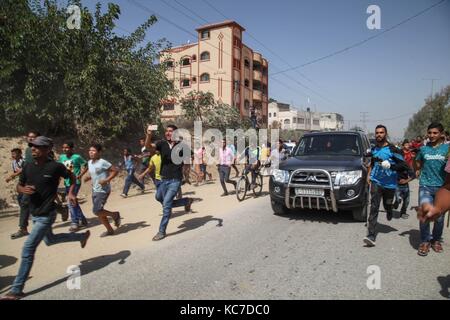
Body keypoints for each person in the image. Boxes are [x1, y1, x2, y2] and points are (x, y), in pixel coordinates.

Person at [1, 136, 90, 300]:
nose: (33, 149)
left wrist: (70, 193)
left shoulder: (55, 167)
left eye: (37, 147)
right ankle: (82, 236)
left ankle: (16, 289)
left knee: (28, 248)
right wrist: (22, 190)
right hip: (34, 214)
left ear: (47, 150)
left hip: (47, 214)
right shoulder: (27, 167)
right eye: (32, 146)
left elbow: (71, 177)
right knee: (50, 240)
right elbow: (18, 185)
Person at [145, 125, 193, 241]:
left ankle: (161, 231)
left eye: (170, 131)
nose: (167, 133)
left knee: (166, 204)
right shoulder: (162, 144)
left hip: (175, 180)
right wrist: (149, 135)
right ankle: (186, 201)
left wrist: (186, 176)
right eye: (166, 131)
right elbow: (148, 147)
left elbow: (187, 162)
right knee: (158, 197)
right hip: (163, 179)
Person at [363, 125, 407, 247]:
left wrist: (392, 166)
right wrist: (368, 175)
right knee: (374, 207)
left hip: (390, 184)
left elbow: (403, 165)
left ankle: (389, 210)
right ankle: (370, 235)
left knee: (388, 204)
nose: (379, 135)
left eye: (381, 132)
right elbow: (370, 163)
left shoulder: (394, 149)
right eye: (377, 132)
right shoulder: (373, 150)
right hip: (376, 181)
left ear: (386, 134)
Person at [414, 123, 449, 256]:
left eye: (435, 133)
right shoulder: (423, 149)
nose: (432, 135)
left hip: (443, 188)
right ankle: (424, 241)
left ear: (441, 134)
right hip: (425, 185)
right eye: (430, 133)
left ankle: (435, 240)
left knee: (439, 218)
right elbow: (417, 163)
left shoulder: (448, 148)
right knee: (424, 213)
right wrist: (417, 170)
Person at [84, 144, 121, 237]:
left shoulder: (102, 162)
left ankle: (115, 215)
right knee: (100, 212)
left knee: (97, 210)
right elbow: (94, 174)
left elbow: (115, 171)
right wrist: (88, 177)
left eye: (93, 151)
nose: (91, 152)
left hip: (103, 190)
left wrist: (107, 180)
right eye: (90, 150)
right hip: (95, 189)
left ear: (99, 152)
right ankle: (110, 230)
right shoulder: (89, 162)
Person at [59, 142, 89, 232]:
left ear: (72, 148)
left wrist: (80, 174)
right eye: (63, 147)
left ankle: (75, 223)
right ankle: (82, 219)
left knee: (70, 201)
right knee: (73, 200)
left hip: (76, 182)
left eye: (67, 147)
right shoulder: (62, 157)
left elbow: (86, 165)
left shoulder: (77, 157)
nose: (65, 149)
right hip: (67, 182)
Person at [6, 148, 28, 239]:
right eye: (12, 154)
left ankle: (23, 228)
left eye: (14, 154)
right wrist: (12, 177)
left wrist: (12, 176)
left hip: (30, 181)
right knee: (21, 200)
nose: (13, 156)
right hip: (22, 183)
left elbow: (23, 170)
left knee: (26, 202)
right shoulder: (13, 163)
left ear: (20, 154)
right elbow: (17, 172)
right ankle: (61, 209)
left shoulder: (25, 160)